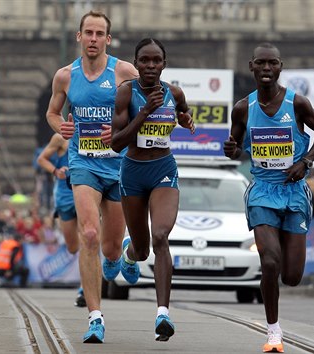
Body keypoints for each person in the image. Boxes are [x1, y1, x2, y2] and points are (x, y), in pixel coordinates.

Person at [223, 43, 314, 353]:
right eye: (261, 64)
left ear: (280, 67)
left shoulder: (297, 104)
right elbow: (237, 146)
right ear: (251, 67)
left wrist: (306, 161)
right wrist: (232, 150)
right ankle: (273, 333)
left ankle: (284, 245)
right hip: (262, 191)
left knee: (292, 276)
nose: (266, 69)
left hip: (294, 193)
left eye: (272, 64)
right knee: (269, 261)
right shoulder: (243, 108)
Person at [45, 10, 138, 343]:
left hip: (118, 166)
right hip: (83, 163)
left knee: (111, 250)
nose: (94, 39)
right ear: (79, 36)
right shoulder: (65, 76)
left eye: (100, 34)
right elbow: (53, 113)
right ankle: (95, 317)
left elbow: (143, 114)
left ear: (108, 39)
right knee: (88, 234)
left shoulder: (124, 72)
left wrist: (119, 130)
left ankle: (122, 254)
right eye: (89, 33)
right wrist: (61, 126)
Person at [107, 38, 195, 342]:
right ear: (136, 63)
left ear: (164, 64)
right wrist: (144, 112)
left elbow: (183, 111)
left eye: (156, 61)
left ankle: (162, 314)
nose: (150, 66)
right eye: (144, 60)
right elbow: (116, 142)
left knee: (160, 236)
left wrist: (185, 119)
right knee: (143, 249)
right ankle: (129, 254)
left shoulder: (174, 93)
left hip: (163, 170)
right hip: (132, 173)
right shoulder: (125, 93)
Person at [36, 133, 86, 307]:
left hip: (85, 191)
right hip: (64, 197)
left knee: (88, 238)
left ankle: (84, 287)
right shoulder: (60, 138)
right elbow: (42, 159)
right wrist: (55, 171)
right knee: (73, 247)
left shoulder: (92, 132)